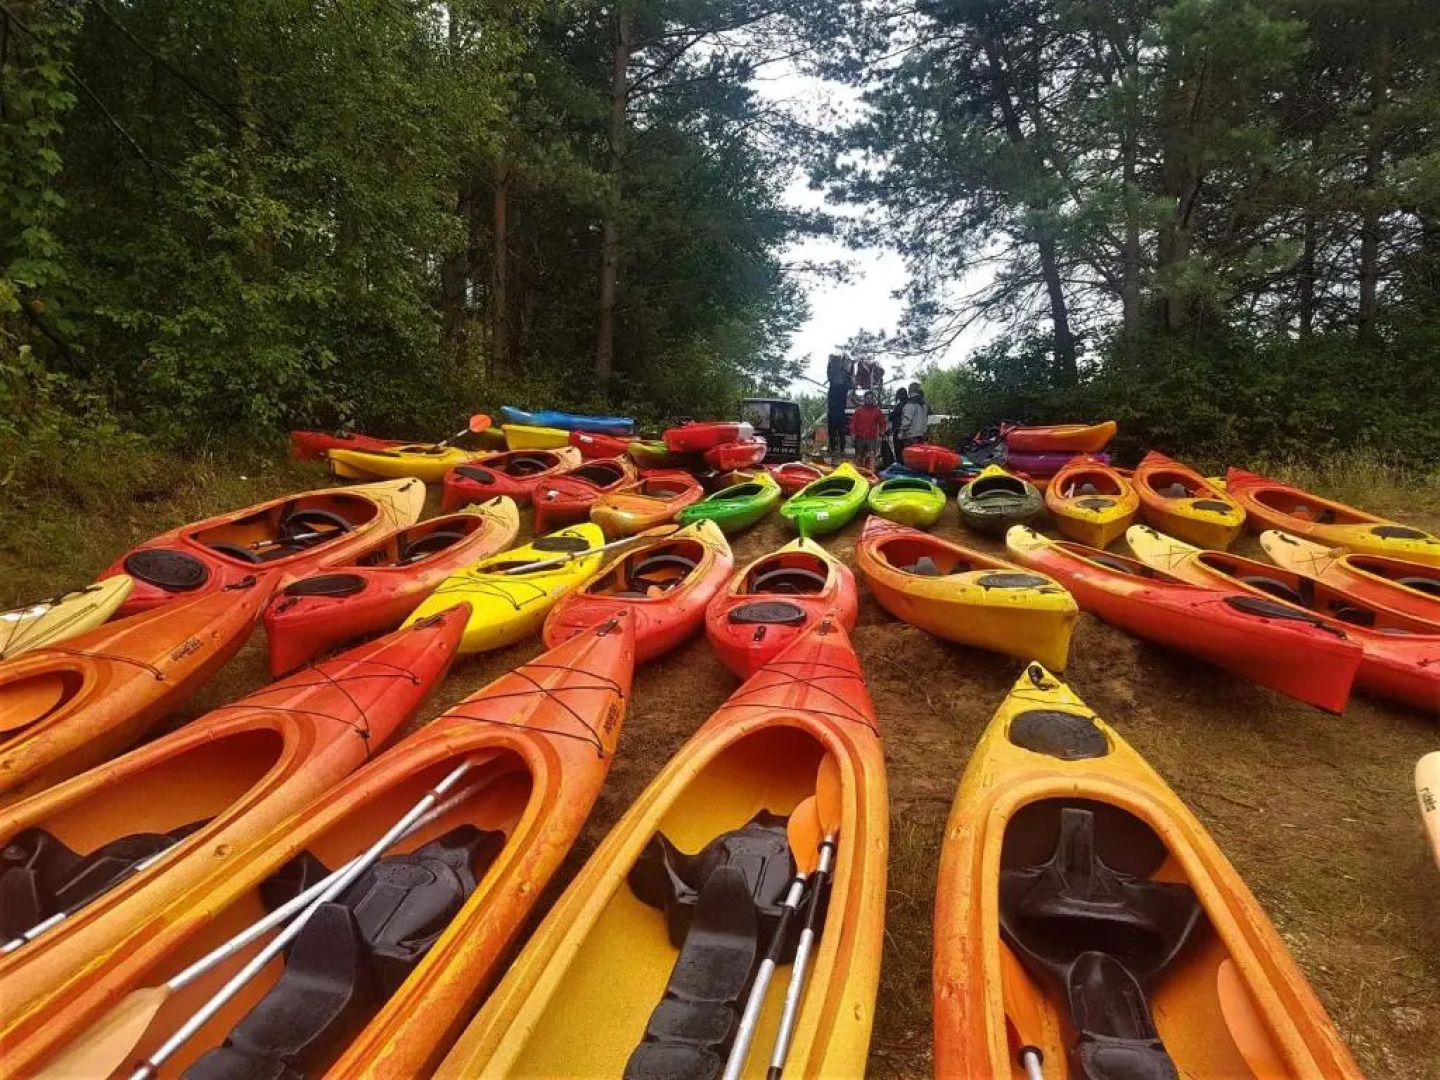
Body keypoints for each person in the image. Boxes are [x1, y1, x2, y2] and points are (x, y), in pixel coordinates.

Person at [825, 352, 853, 465]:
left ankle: (840, 449)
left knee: (839, 432)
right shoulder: (837, 386)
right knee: (834, 433)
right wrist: (829, 365)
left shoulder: (841, 387)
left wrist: (850, 369)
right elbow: (830, 375)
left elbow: (846, 377)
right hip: (834, 412)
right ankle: (836, 449)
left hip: (836, 413)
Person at [850, 391, 885, 469]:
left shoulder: (877, 411)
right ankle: (857, 474)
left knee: (872, 456)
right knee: (859, 456)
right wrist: (853, 433)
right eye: (867, 398)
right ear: (864, 399)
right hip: (860, 438)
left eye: (871, 398)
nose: (869, 400)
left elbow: (883, 423)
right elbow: (853, 423)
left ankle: (872, 474)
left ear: (873, 399)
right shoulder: (859, 410)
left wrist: (882, 432)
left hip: (872, 439)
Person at [899, 382, 929, 452]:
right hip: (922, 435)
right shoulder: (924, 405)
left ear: (909, 391)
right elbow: (925, 419)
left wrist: (901, 432)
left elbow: (907, 420)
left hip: (910, 436)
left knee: (910, 458)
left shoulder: (910, 403)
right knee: (920, 458)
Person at [888, 386, 908, 466]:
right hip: (907, 431)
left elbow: (891, 416)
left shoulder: (900, 405)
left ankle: (900, 466)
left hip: (898, 430)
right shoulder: (908, 404)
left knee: (899, 451)